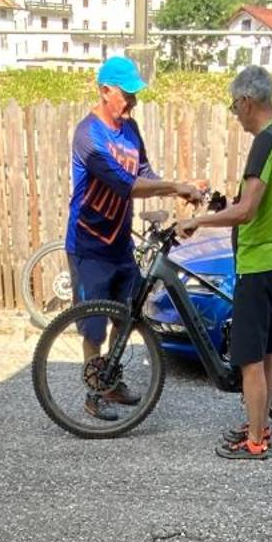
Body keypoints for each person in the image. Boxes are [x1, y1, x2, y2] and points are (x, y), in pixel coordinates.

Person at [66, 55, 205, 423]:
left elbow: (143, 171)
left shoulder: (131, 129)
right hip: (88, 245)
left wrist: (179, 190)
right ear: (105, 90)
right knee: (93, 326)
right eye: (126, 95)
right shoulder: (88, 135)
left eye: (135, 95)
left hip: (119, 245)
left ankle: (112, 382)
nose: (132, 102)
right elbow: (124, 184)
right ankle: (94, 393)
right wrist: (173, 184)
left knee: (126, 315)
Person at [178, 65, 272, 461]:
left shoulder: (265, 143)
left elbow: (247, 211)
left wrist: (198, 220)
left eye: (235, 106)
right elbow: (262, 204)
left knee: (249, 359)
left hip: (257, 264)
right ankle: (260, 426)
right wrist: (222, 206)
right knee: (268, 353)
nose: (236, 114)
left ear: (248, 102)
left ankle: (255, 442)